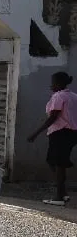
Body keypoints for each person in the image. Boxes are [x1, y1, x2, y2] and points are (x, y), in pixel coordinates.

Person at [28, 71, 77, 205]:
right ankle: (63, 192)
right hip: (72, 133)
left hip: (60, 133)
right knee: (53, 161)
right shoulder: (73, 96)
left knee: (58, 163)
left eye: (53, 83)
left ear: (59, 83)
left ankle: (59, 197)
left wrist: (36, 133)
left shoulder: (58, 96)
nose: (51, 86)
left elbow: (53, 117)